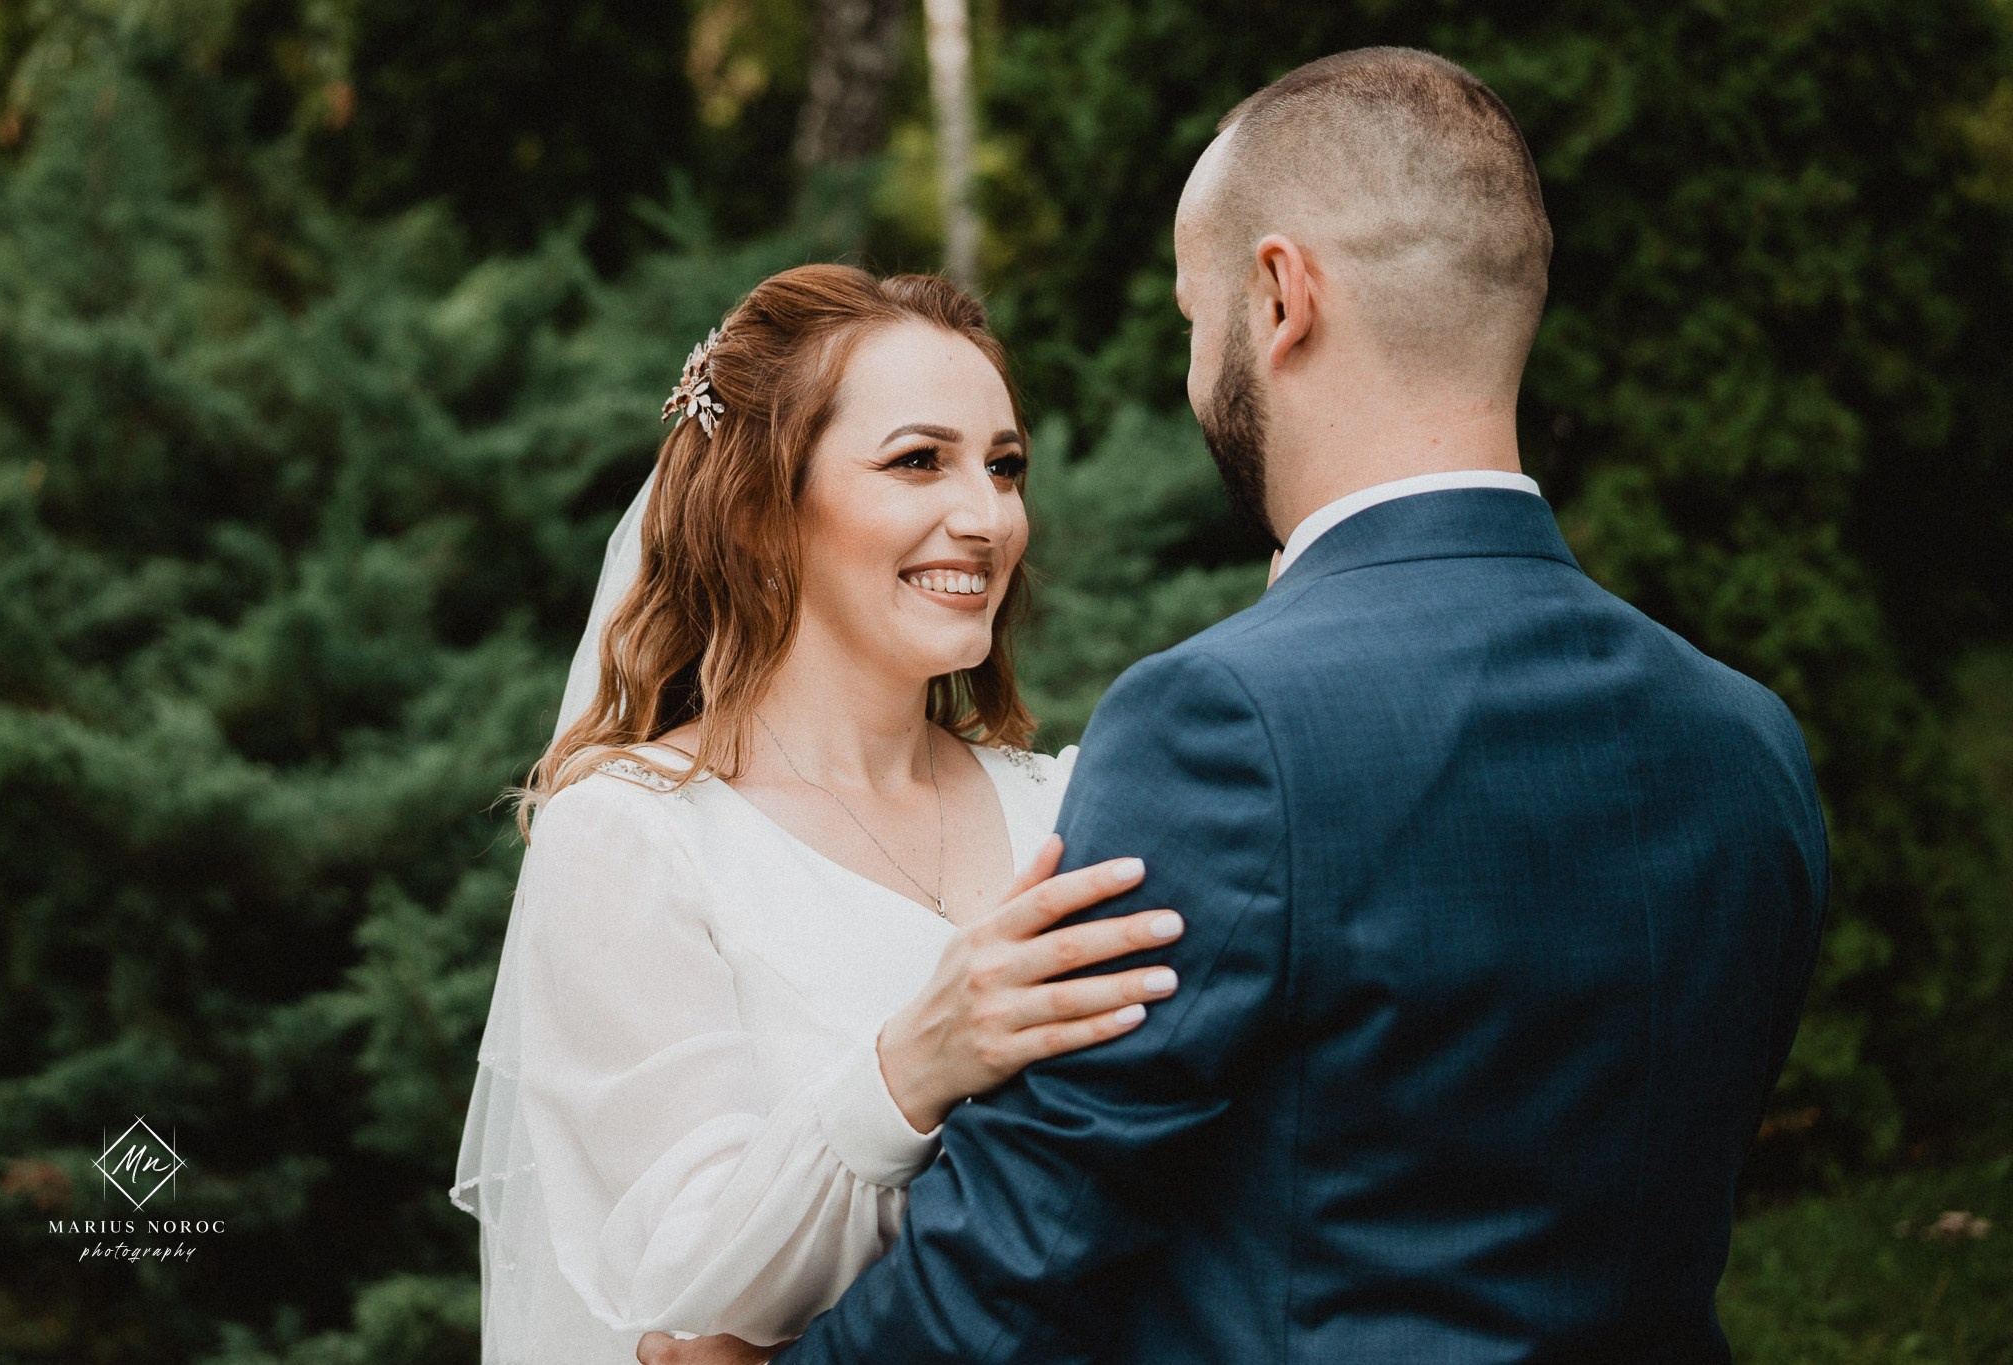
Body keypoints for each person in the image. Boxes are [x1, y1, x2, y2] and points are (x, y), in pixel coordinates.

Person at [661, 46, 1828, 1365]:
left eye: (1189, 315)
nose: (1190, 366)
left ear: (1280, 297)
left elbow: (1027, 1249)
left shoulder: (1222, 726)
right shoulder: (1749, 742)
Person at [451, 265, 1189, 1362]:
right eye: (916, 462)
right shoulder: (634, 835)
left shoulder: (1070, 803)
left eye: (1003, 467)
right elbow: (687, 1275)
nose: (983, 517)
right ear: (761, 508)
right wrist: (909, 1070)